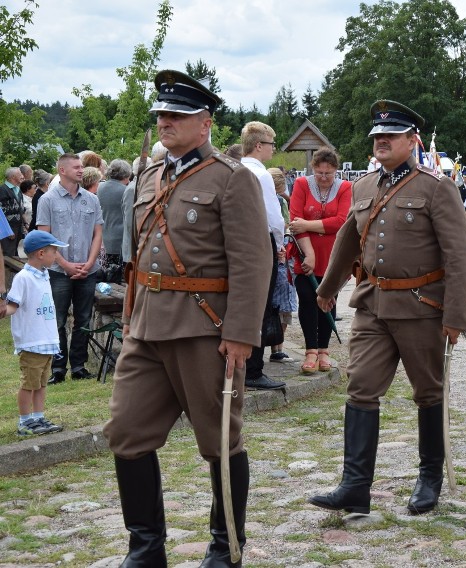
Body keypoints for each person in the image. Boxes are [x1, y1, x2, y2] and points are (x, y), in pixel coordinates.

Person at [102, 69, 272, 566]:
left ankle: (226, 547)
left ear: (206, 123)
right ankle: (146, 547)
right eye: (161, 114)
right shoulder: (149, 176)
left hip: (205, 329)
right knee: (126, 432)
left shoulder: (232, 178)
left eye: (177, 114)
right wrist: (131, 316)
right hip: (149, 327)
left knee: (219, 440)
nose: (165, 121)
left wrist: (242, 334)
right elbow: (139, 256)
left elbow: (252, 261)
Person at [308, 100, 466, 515]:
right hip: (372, 306)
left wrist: (456, 314)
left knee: (427, 392)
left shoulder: (437, 188)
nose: (382, 142)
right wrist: (327, 288)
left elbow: (458, 254)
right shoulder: (363, 187)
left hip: (421, 307)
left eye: (391, 136)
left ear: (412, 141)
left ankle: (429, 477)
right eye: (377, 137)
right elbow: (349, 240)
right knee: (361, 388)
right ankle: (354, 487)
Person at [36, 153, 104, 384]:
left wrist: (89, 262)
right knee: (58, 320)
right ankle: (57, 367)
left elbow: (97, 234)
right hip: (58, 270)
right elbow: (45, 236)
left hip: (87, 269)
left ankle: (78, 366)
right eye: (76, 167)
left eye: (81, 166)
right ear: (62, 171)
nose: (81, 170)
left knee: (84, 319)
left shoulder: (91, 199)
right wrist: (65, 265)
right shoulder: (48, 200)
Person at [289, 147, 352, 374]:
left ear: (336, 171)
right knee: (307, 298)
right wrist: (309, 253)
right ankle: (310, 350)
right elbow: (295, 219)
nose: (324, 178)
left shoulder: (345, 187)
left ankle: (324, 349)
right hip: (306, 252)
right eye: (319, 173)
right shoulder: (301, 185)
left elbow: (341, 221)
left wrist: (307, 224)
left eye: (329, 173)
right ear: (313, 169)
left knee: (328, 299)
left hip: (334, 255)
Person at [2, 230, 68, 437]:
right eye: (54, 251)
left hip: (46, 341)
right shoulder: (24, 277)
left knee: (40, 384)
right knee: (29, 384)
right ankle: (24, 422)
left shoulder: (44, 275)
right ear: (41, 253)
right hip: (32, 342)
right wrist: (4, 311)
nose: (56, 255)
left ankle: (38, 417)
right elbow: (13, 305)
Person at [239, 121, 287, 390]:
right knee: (261, 306)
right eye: (271, 144)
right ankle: (253, 370)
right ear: (259, 146)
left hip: (236, 244)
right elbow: (273, 217)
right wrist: (278, 244)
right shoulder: (261, 175)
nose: (273, 149)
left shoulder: (232, 168)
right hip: (259, 243)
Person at [268, 168, 297, 361]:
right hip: (281, 255)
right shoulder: (278, 201)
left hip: (273, 255)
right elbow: (284, 226)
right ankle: (277, 348)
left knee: (273, 305)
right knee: (282, 304)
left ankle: (275, 348)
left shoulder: (266, 200)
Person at [97, 159, 132, 283]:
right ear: (126, 174)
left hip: (103, 238)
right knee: (118, 279)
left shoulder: (100, 187)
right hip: (120, 241)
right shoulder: (126, 191)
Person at [2, 167, 24, 257]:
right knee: (8, 255)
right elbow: (1, 213)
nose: (22, 176)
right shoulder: (2, 190)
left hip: (18, 228)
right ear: (13, 176)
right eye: (20, 174)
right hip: (9, 229)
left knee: (17, 253)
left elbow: (20, 209)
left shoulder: (18, 189)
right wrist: (8, 230)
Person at [16, 180, 38, 258]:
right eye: (34, 188)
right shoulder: (23, 200)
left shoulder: (33, 198)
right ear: (28, 189)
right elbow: (22, 213)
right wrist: (25, 224)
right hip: (26, 228)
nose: (36, 190)